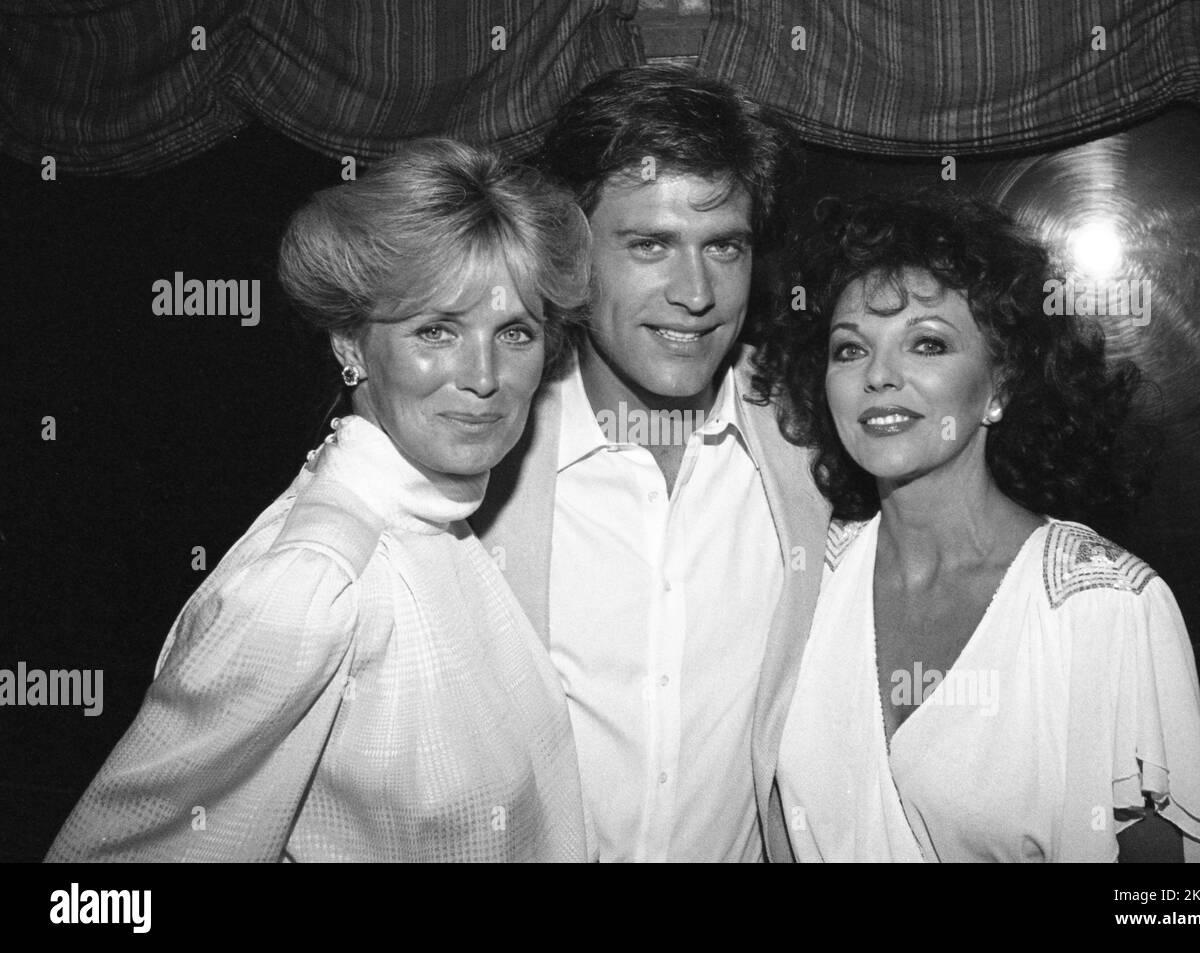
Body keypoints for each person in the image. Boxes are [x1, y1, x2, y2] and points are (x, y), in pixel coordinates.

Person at [45, 138, 594, 862]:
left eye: (514, 333)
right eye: (436, 329)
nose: (484, 376)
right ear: (353, 344)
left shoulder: (443, 531)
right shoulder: (310, 589)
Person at [753, 190, 1200, 862]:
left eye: (926, 343)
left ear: (1000, 384)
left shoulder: (1103, 607)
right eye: (849, 349)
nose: (880, 376)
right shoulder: (804, 582)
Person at [470, 65, 832, 862]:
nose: (696, 292)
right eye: (650, 245)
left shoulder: (817, 445)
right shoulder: (477, 462)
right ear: (569, 250)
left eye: (725, 247)